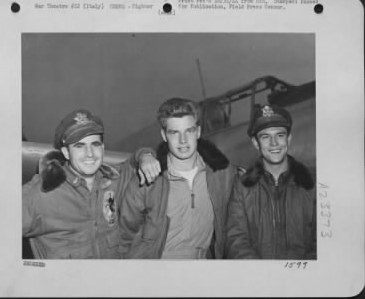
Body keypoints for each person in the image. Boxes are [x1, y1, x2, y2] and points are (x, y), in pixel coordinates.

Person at [22, 109, 160, 259]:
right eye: (79, 146)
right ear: (66, 153)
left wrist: (145, 155)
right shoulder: (41, 194)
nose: (89, 153)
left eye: (94, 144)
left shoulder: (113, 180)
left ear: (102, 148)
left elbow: (133, 162)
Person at [119, 98, 237, 259]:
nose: (183, 141)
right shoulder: (147, 180)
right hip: (155, 271)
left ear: (198, 132)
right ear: (164, 135)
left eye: (189, 131)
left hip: (203, 269)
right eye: (175, 133)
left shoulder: (222, 175)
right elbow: (123, 235)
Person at [225, 104, 316, 259]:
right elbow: (236, 241)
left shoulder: (313, 184)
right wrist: (263, 274)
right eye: (265, 137)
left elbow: (323, 241)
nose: (274, 143)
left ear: (289, 138)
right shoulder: (242, 187)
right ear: (255, 143)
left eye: (280, 135)